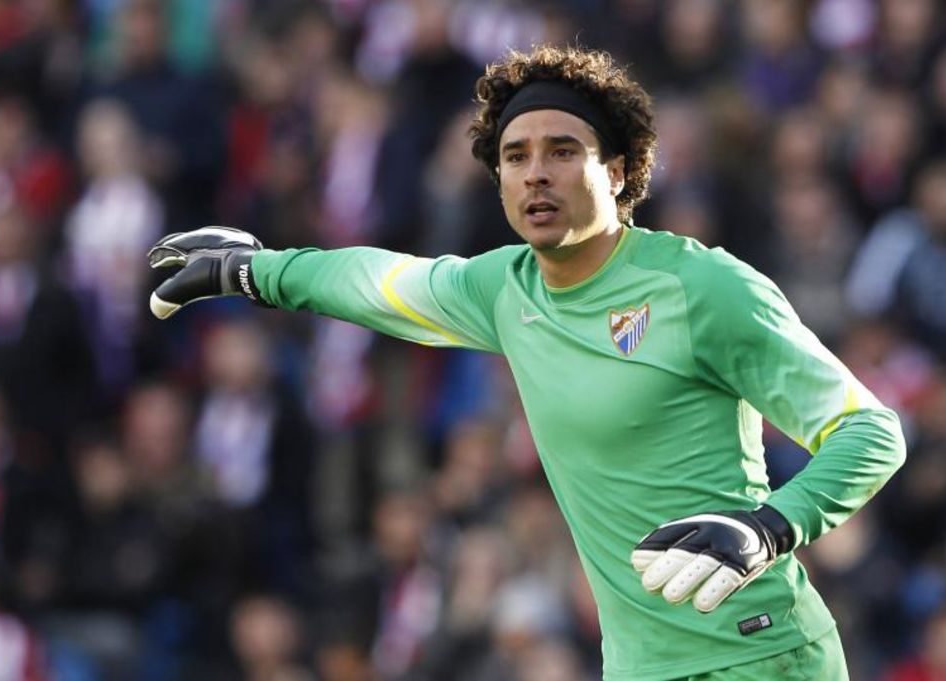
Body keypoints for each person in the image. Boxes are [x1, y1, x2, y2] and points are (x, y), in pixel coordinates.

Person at [145, 46, 906, 680]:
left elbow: (872, 431)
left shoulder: (702, 287)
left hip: (765, 656)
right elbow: (380, 282)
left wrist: (771, 526)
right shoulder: (505, 290)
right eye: (516, 156)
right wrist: (256, 270)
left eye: (562, 151)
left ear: (618, 171)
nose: (536, 172)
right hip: (639, 667)